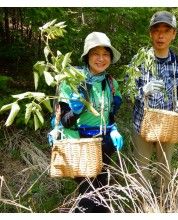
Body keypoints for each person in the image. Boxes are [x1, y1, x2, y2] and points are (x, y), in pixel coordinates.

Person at [50, 32, 123, 212]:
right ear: (87, 56)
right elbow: (65, 121)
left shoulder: (111, 83)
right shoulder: (73, 81)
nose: (101, 59)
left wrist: (114, 129)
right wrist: (75, 108)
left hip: (103, 142)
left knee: (102, 186)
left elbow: (109, 115)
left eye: (105, 54)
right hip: (80, 143)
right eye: (95, 53)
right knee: (89, 193)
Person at [131, 11, 178, 192]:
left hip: (168, 126)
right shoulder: (139, 61)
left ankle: (165, 204)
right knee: (141, 169)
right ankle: (142, 204)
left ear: (174, 34)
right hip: (142, 124)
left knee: (165, 168)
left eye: (166, 30)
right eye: (156, 30)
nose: (161, 35)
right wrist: (143, 91)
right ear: (150, 33)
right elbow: (129, 92)